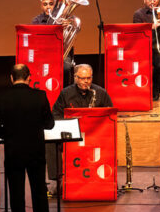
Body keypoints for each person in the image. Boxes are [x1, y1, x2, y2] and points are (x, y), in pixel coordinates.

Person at [0, 64, 55, 212]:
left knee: (16, 198)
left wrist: (9, 135)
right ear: (29, 78)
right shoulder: (40, 96)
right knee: (39, 195)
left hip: (14, 153)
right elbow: (50, 124)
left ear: (11, 78)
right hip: (36, 153)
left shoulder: (2, 97)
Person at [47, 64, 112, 193]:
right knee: (50, 143)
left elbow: (110, 114)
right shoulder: (66, 93)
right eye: (82, 78)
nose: (86, 81)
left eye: (89, 78)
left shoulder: (100, 92)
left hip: (95, 134)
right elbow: (56, 115)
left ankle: (106, 178)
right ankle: (58, 179)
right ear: (75, 78)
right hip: (72, 134)